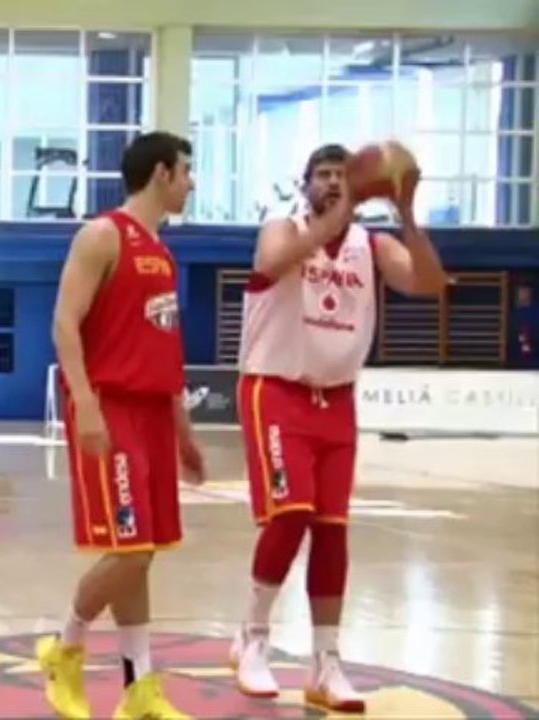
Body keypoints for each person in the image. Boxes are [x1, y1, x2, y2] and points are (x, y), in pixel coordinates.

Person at [230, 143, 447, 713]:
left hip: (338, 400)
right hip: (274, 388)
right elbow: (272, 262)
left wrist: (406, 213)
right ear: (305, 185)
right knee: (291, 512)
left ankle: (326, 662)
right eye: (323, 175)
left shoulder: (371, 245)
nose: (332, 182)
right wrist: (339, 207)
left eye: (341, 175)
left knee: (332, 530)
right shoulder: (283, 229)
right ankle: (251, 637)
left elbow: (428, 283)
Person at [37, 131, 205, 720]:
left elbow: (164, 346)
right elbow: (64, 323)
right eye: (186, 170)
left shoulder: (162, 248)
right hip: (112, 406)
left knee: (146, 552)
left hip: (155, 411)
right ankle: (65, 649)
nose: (191, 181)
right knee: (129, 550)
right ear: (161, 173)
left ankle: (139, 689)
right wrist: (84, 402)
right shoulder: (104, 234)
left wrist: (182, 429)